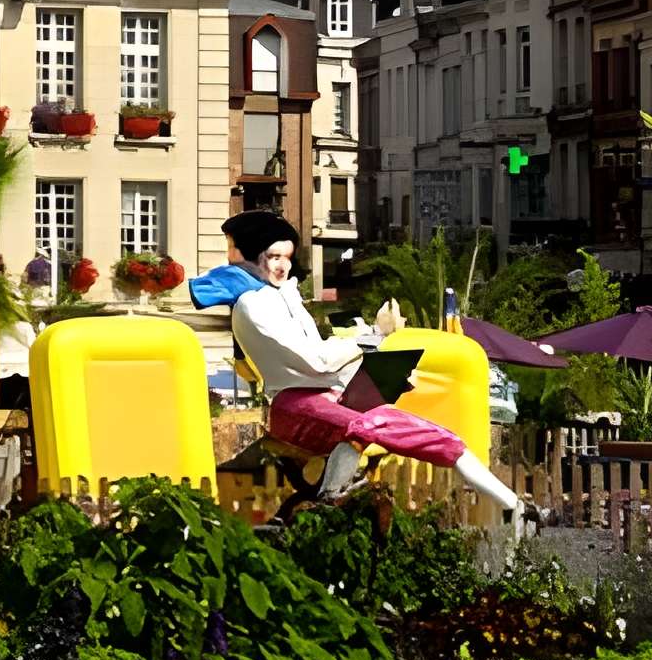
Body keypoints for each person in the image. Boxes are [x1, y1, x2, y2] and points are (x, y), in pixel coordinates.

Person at [191, 211, 519, 515]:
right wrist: (368, 340)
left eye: (287, 258)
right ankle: (328, 500)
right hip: (292, 406)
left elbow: (325, 362)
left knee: (436, 435)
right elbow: (315, 361)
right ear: (251, 256)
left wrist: (379, 376)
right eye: (274, 257)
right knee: (360, 425)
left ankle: (512, 506)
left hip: (333, 396)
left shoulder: (285, 296)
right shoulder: (252, 305)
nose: (283, 267)